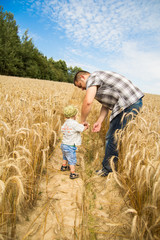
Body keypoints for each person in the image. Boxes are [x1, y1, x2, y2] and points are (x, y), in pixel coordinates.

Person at [74, 70, 144, 177]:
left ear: (83, 77)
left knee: (112, 138)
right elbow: (106, 104)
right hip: (133, 102)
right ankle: (113, 166)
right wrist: (99, 121)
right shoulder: (100, 79)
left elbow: (88, 101)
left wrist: (82, 121)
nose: (83, 89)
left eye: (80, 86)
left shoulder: (92, 77)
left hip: (127, 103)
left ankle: (108, 170)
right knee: (116, 136)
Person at [60, 105, 88, 179]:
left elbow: (63, 129)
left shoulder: (65, 123)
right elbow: (81, 129)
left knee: (65, 156)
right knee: (72, 159)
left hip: (64, 144)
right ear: (75, 115)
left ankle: (64, 166)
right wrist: (86, 127)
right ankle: (72, 173)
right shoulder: (74, 123)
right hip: (70, 145)